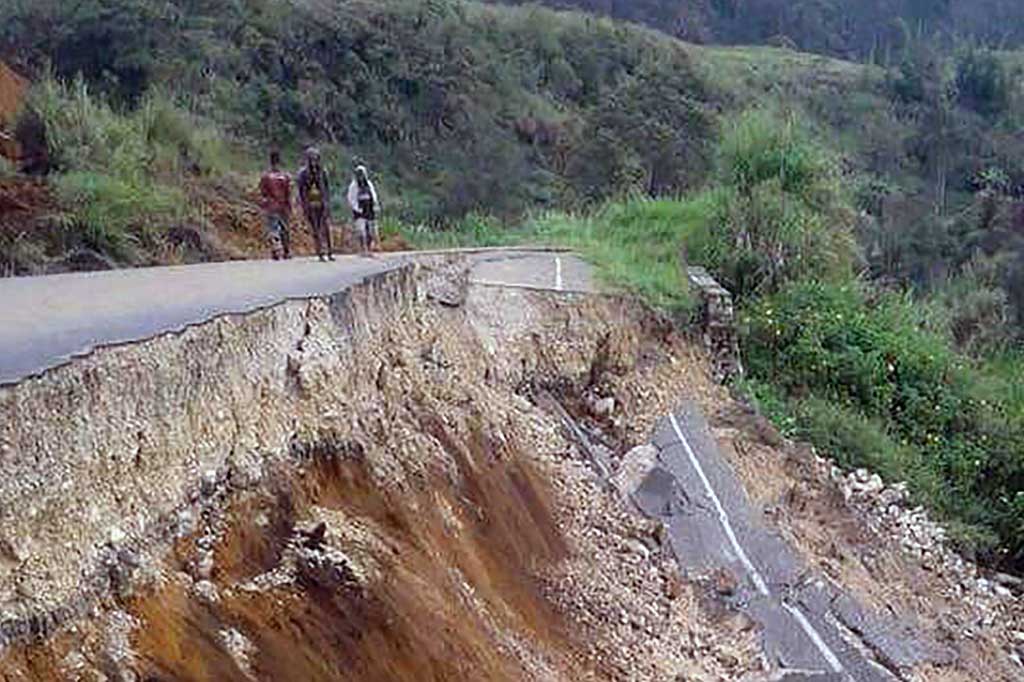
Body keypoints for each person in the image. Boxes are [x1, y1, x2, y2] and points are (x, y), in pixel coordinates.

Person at [297, 147, 334, 262]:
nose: (313, 161)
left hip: (322, 203)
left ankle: (330, 251)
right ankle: (320, 252)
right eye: (311, 159)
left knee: (326, 228)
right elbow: (301, 191)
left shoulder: (323, 172)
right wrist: (304, 205)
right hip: (310, 204)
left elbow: (327, 189)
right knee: (316, 229)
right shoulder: (303, 173)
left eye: (315, 158)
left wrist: (327, 203)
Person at [259, 150, 293, 260]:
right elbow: (288, 192)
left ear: (270, 161)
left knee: (273, 229)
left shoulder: (265, 176)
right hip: (283, 206)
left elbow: (263, 193)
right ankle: (286, 251)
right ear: (280, 161)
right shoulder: (285, 176)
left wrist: (265, 204)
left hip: (271, 206)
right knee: (285, 229)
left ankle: (276, 251)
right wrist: (289, 205)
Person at [348, 164, 380, 253]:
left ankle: (369, 248)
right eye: (359, 174)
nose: (361, 176)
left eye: (362, 174)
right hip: (359, 211)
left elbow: (373, 195)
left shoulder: (369, 184)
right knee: (361, 231)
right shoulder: (353, 186)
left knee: (371, 231)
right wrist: (357, 208)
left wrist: (375, 205)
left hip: (369, 209)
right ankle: (363, 248)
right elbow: (351, 198)